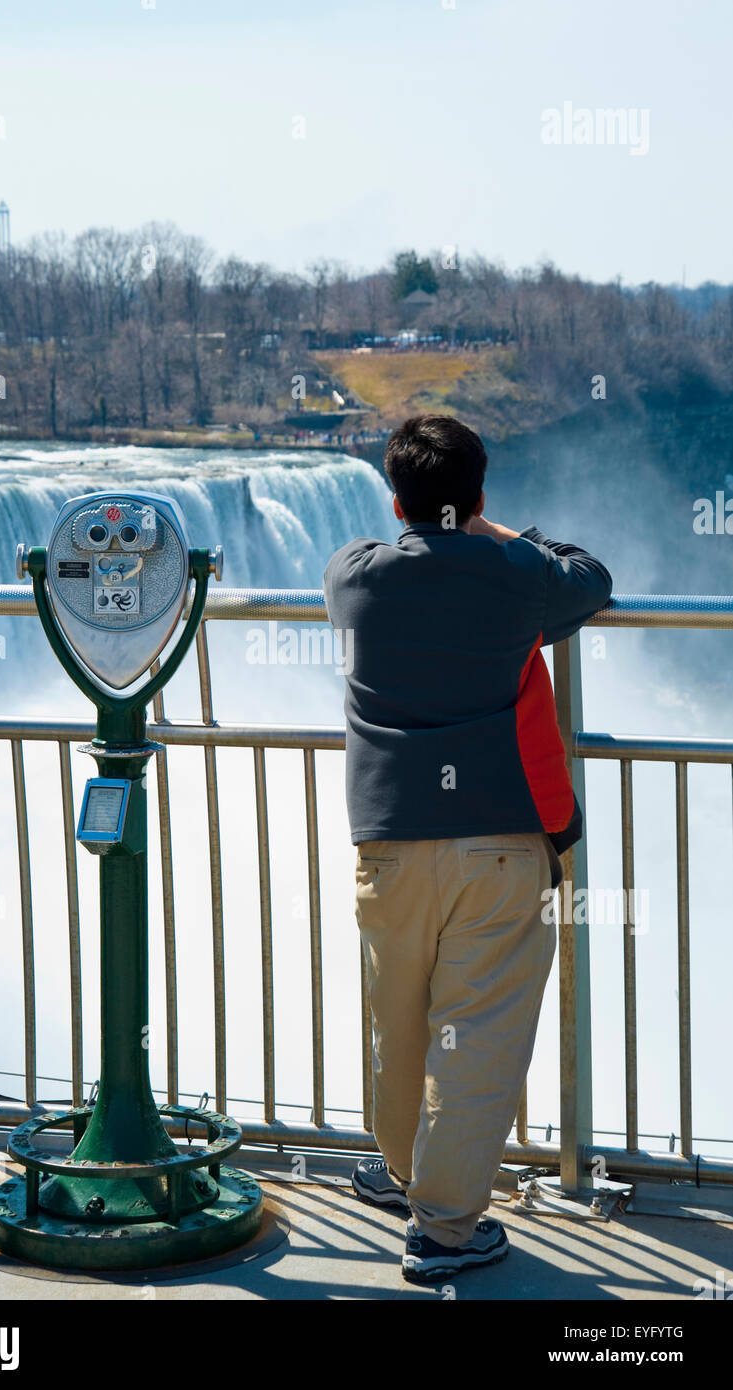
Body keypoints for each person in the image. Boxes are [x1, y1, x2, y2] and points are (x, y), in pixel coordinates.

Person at [323, 414, 612, 1285]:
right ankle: (444, 1229)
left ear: (396, 497)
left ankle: (403, 1170)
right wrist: (493, 530)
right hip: (496, 849)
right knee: (475, 1036)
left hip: (389, 850)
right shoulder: (515, 575)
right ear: (477, 494)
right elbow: (588, 578)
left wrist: (448, 525)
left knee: (396, 1021)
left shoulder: (352, 578)